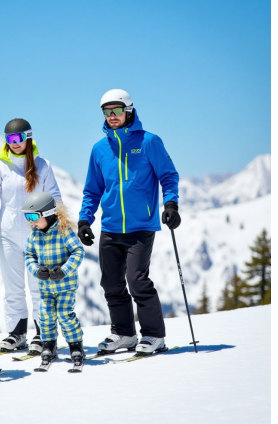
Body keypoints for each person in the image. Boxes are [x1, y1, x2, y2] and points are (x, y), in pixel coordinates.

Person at [77, 89, 182, 355]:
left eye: (117, 110)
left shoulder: (149, 142)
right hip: (111, 227)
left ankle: (154, 335)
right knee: (110, 283)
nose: (112, 116)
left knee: (137, 280)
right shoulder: (100, 149)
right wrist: (84, 220)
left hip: (141, 227)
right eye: (107, 112)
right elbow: (92, 190)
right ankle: (124, 334)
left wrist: (171, 204)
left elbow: (169, 176)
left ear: (129, 111)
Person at [0, 118, 63, 355]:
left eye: (18, 138)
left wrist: (57, 226)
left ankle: (42, 333)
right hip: (7, 235)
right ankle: (17, 333)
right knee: (13, 288)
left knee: (39, 286)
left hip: (38, 235)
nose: (14, 144)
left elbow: (55, 197)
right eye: (9, 139)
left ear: (28, 138)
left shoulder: (42, 165)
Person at [21, 192, 86, 366]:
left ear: (47, 213)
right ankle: (49, 344)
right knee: (45, 315)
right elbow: (29, 255)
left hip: (65, 285)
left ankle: (75, 344)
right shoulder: (33, 236)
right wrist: (36, 271)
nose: (31, 221)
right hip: (46, 287)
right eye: (28, 216)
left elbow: (78, 251)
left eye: (34, 216)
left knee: (65, 314)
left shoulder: (63, 231)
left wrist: (64, 270)